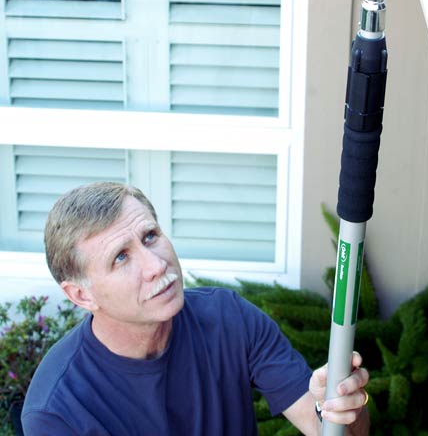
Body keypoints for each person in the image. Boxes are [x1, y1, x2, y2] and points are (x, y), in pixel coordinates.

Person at [22, 182, 370, 435]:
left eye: (150, 237)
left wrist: (340, 407)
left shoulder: (229, 318)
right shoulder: (56, 409)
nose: (156, 264)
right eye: (121, 257)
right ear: (82, 296)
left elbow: (322, 423)